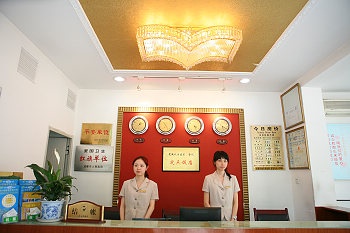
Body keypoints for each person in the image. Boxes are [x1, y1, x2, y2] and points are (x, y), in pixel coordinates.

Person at [202, 151, 240, 221]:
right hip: (214, 218)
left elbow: (236, 202)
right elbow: (206, 202)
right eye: (219, 160)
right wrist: (212, 215)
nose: (222, 163)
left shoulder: (233, 179)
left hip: (230, 218)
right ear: (214, 162)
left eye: (225, 161)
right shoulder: (208, 178)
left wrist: (234, 217)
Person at [119, 156, 159, 220]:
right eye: (136, 165)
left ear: (146, 167)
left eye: (141, 166)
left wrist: (144, 220)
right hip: (127, 221)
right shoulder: (126, 184)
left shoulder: (152, 185)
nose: (138, 168)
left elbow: (152, 206)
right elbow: (122, 206)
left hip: (143, 222)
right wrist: (122, 221)